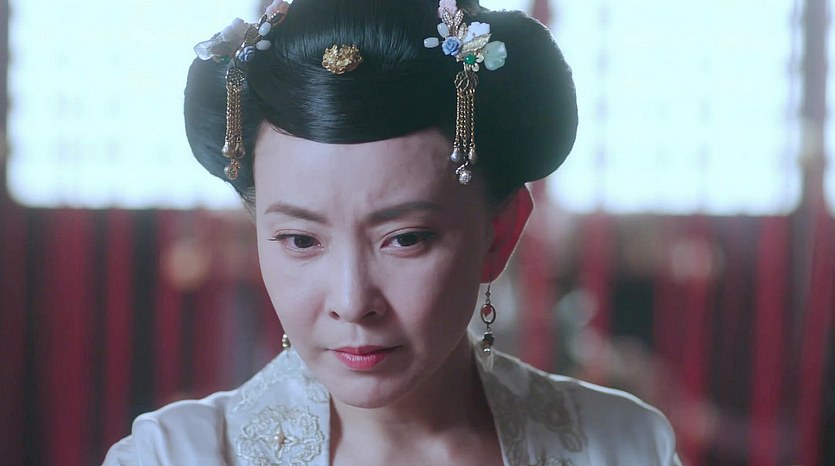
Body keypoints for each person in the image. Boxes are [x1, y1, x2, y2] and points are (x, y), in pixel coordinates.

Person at [104, 0, 681, 464]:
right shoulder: (176, 456)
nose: (353, 302)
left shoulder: (622, 448)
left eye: (405, 238)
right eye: (301, 240)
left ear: (499, 235)